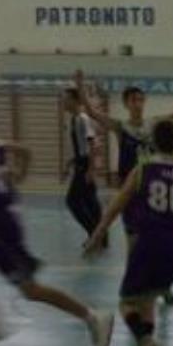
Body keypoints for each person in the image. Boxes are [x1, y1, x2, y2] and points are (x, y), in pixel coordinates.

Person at [0, 98, 114, 346]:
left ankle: (91, 317)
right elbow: (25, 150)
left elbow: (14, 152)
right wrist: (18, 175)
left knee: (30, 289)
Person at [74, 70, 173, 304]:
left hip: (153, 188)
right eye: (134, 100)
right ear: (127, 103)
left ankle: (164, 286)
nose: (138, 103)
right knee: (133, 241)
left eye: (141, 99)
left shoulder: (155, 124)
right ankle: (136, 283)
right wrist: (80, 87)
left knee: (158, 240)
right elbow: (93, 113)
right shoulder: (120, 126)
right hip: (131, 189)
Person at [85, 120, 173, 346]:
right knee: (148, 301)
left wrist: (97, 234)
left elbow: (117, 205)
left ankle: (146, 343)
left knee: (127, 302)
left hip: (149, 242)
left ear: (153, 143)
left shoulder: (143, 169)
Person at [61, 86, 105, 246]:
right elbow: (80, 147)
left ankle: (94, 235)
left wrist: (91, 169)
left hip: (86, 165)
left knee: (72, 201)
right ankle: (101, 237)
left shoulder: (82, 119)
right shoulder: (74, 119)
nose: (63, 102)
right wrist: (69, 164)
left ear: (74, 100)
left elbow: (92, 143)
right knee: (90, 201)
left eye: (66, 99)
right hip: (82, 163)